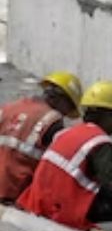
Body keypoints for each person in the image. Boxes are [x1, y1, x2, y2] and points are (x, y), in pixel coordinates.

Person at [16, 80, 112, 231]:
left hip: (38, 203)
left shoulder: (68, 132)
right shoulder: (100, 142)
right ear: (108, 115)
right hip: (60, 210)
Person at [0, 71, 82, 203]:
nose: (66, 114)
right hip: (16, 194)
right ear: (60, 99)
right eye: (69, 108)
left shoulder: (8, 108)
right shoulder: (52, 120)